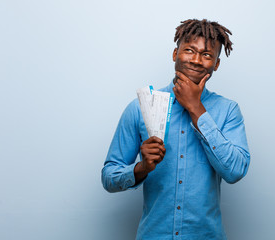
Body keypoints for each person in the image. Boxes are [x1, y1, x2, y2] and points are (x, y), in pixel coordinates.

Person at [101, 19, 250, 240]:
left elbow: (236, 171)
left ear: (216, 64)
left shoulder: (228, 111)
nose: (197, 60)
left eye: (207, 55)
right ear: (175, 53)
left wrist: (196, 109)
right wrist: (141, 168)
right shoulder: (140, 108)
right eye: (189, 50)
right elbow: (109, 177)